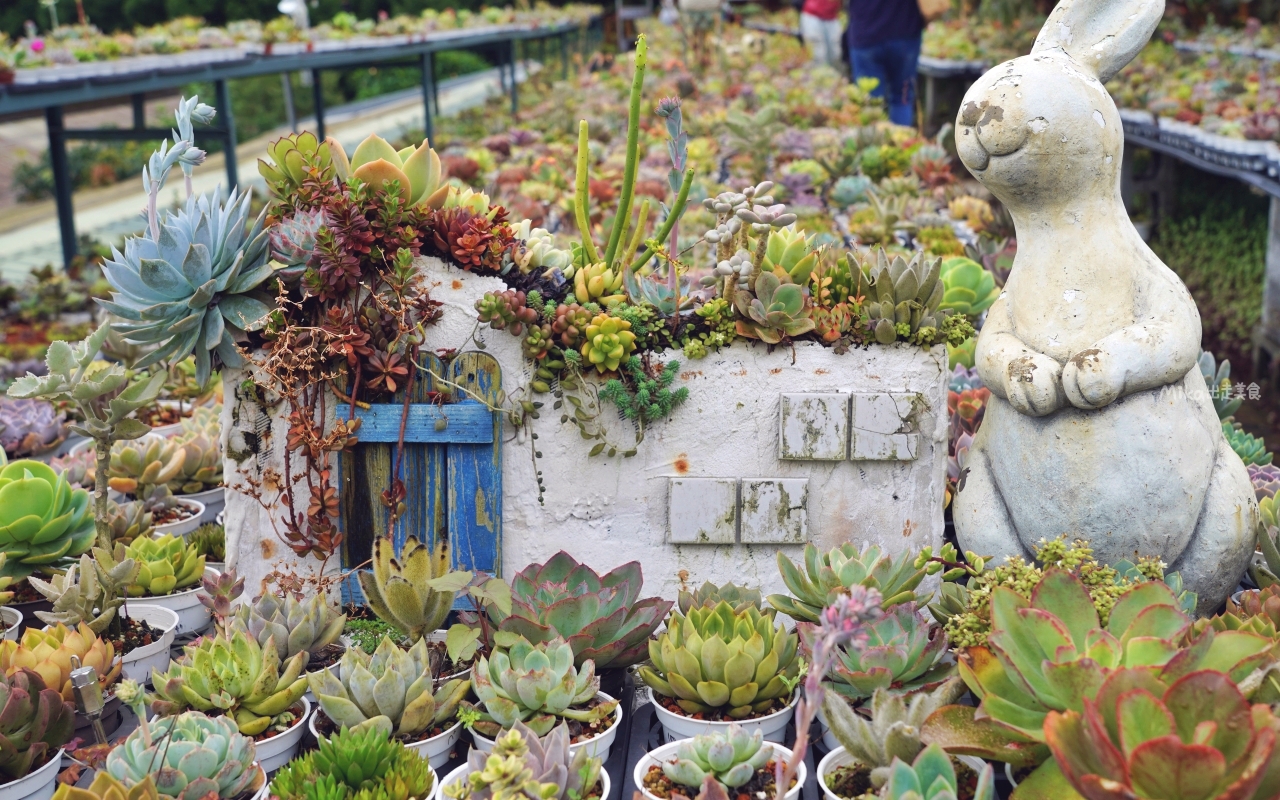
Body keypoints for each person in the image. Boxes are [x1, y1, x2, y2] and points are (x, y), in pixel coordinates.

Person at [846, 0, 923, 126]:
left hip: (866, 35)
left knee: (870, 102)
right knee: (901, 98)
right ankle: (900, 143)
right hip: (904, 33)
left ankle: (874, 142)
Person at [799, 0, 842, 68]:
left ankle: (832, 76)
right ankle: (818, 76)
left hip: (831, 16)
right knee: (818, 54)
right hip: (813, 15)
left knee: (835, 54)